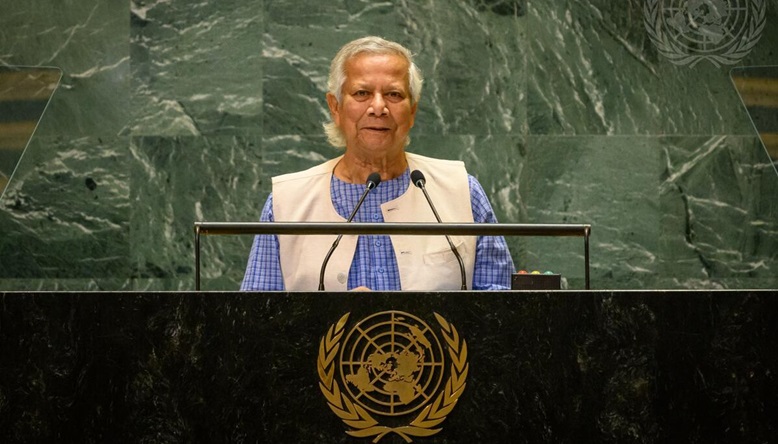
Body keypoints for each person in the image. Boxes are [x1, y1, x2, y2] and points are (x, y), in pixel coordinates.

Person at [241, 36, 513, 291]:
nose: (378, 107)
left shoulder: (462, 192)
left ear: (413, 110)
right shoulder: (287, 203)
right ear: (335, 107)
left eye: (394, 95)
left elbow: (503, 309)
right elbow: (255, 320)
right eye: (362, 93)